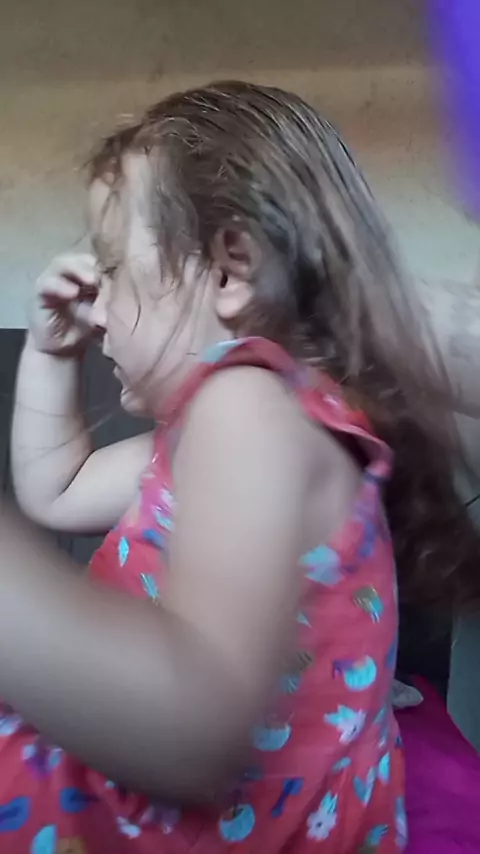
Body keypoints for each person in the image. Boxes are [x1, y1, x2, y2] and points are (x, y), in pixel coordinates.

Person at [1, 81, 479, 854]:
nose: (98, 305)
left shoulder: (248, 407)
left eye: (113, 267)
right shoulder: (240, 423)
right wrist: (50, 357)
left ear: (230, 271)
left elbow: (191, 732)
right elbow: (57, 490)